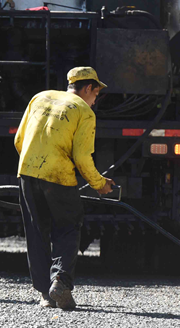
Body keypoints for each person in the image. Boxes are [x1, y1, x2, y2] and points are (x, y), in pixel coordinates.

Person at [13, 66, 115, 310]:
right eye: (96, 94)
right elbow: (82, 157)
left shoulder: (39, 97)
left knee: (37, 231)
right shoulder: (84, 112)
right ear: (88, 87)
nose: (95, 100)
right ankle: (60, 281)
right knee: (68, 228)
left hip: (27, 174)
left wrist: (35, 165)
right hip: (59, 178)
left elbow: (19, 140)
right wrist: (99, 184)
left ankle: (45, 295)